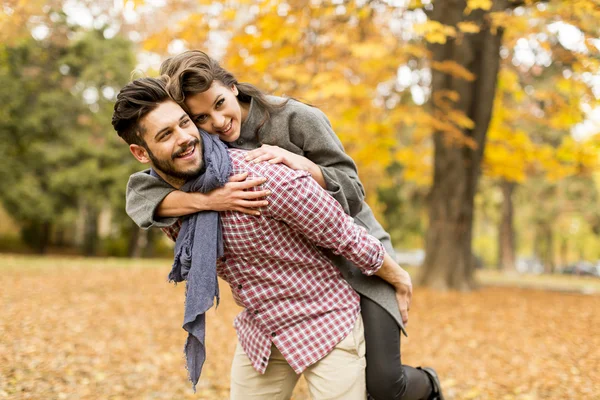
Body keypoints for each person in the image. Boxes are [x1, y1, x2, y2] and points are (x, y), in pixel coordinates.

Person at [125, 51, 444, 400]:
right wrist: (211, 200)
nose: (217, 122)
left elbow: (353, 192)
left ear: (233, 87)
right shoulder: (204, 148)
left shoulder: (294, 118)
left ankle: (429, 385)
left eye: (220, 103)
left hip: (357, 256)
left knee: (384, 385)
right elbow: (142, 195)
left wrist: (302, 165)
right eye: (201, 117)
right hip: (302, 268)